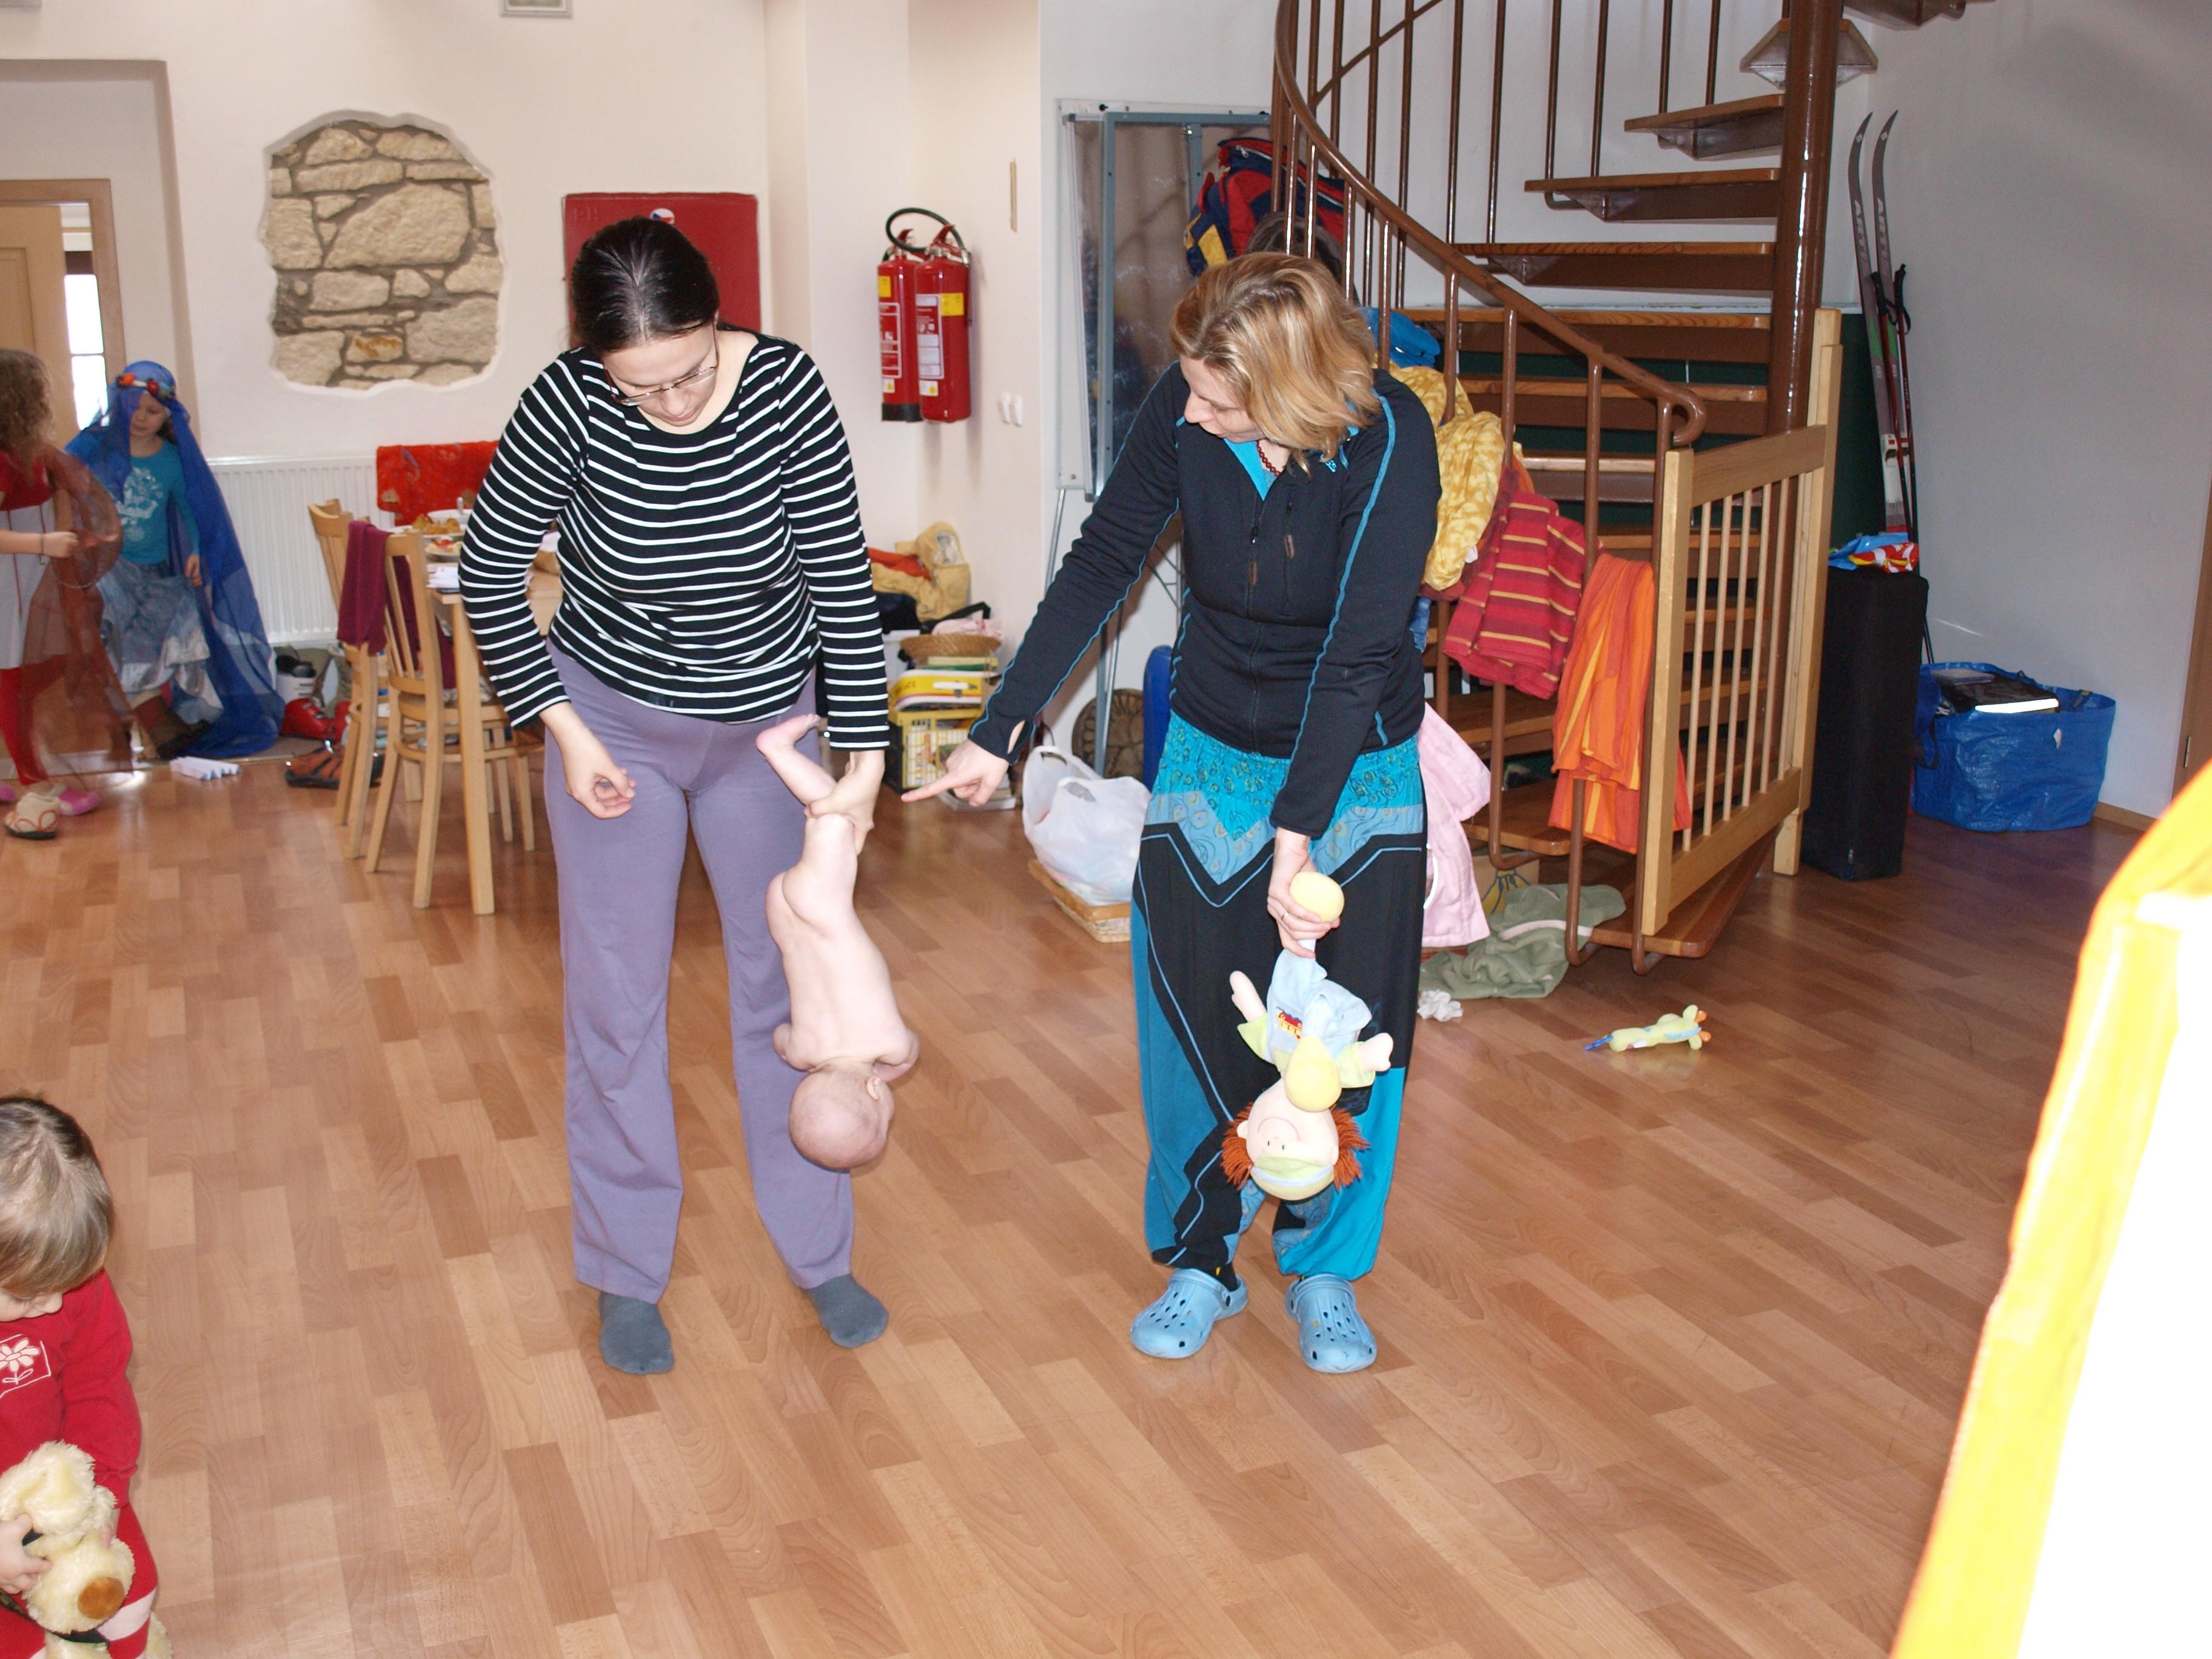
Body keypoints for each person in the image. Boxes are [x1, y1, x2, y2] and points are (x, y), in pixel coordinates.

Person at [912, 254, 1439, 1374]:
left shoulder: (1389, 436)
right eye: (1190, 389)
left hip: (1356, 768)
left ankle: (1326, 1269)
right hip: (1210, 748)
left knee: (1349, 1039)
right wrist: (1000, 726)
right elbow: (1108, 553)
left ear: (1292, 387)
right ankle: (1201, 1259)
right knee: (1192, 1024)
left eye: (1219, 402)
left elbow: (1358, 654)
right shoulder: (1190, 402)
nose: (1193, 416)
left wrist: (1296, 836)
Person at [461, 218, 894, 1371]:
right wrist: (561, 728)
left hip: (768, 733)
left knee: (788, 993)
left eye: (690, 372)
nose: (670, 403)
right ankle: (623, 1269)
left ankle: (819, 1251)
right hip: (612, 727)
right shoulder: (566, 403)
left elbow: (839, 579)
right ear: (594, 360)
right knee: (616, 1003)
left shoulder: (787, 390)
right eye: (639, 386)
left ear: (716, 321)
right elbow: (490, 570)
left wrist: (860, 764)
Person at [0, 1098, 162, 1658]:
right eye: (26, 1296)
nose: (51, 1306)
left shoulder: (68, 1282)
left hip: (65, 1489)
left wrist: (105, 1494)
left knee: (129, 1597)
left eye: (66, 1284)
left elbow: (100, 1388)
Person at [68, 363, 282, 760]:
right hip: (107, 566)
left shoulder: (170, 459)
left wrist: (198, 548)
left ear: (167, 415)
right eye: (134, 407)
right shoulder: (96, 447)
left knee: (173, 625)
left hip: (153, 569)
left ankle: (165, 716)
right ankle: (148, 719)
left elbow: (191, 507)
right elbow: (58, 472)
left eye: (152, 411)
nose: (141, 418)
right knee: (110, 627)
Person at [756, 711, 919, 1170]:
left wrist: (889, 1069)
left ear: (875, 1089)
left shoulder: (891, 1044)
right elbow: (779, 1036)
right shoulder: (803, 1052)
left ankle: (776, 750)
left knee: (838, 815)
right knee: (835, 816)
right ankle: (783, 753)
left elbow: (909, 1054)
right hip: (785, 913)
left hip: (821, 906)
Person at [0, 349, 130, 840]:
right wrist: (43, 544)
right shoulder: (2, 461)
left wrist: (63, 542)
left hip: (29, 582)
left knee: (29, 676)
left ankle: (31, 774)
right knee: (11, 680)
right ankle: (35, 781)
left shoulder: (35, 453)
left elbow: (59, 495)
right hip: (7, 586)